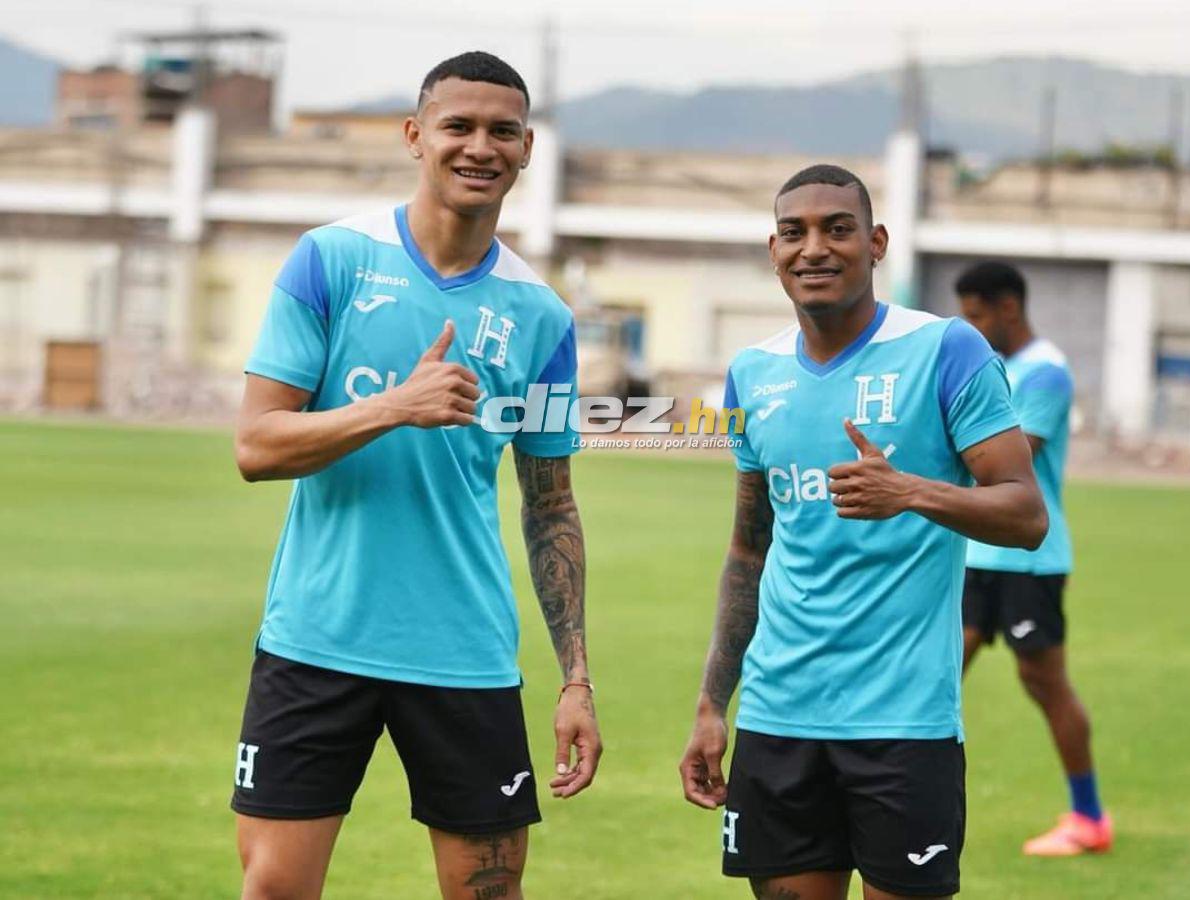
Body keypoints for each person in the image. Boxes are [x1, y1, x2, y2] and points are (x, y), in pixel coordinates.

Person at [230, 51, 601, 900]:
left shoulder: (542, 319)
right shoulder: (329, 261)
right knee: (275, 890)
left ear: (527, 147)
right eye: (458, 126)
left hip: (463, 653)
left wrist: (576, 675)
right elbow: (256, 446)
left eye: (501, 131)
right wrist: (393, 407)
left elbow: (551, 508)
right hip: (316, 638)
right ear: (415, 136)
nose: (480, 147)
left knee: (487, 893)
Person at [679, 164, 1048, 900]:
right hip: (779, 718)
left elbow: (1025, 515)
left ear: (875, 243)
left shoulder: (947, 349)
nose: (814, 248)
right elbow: (749, 551)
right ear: (773, 250)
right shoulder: (752, 373)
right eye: (794, 232)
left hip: (903, 725)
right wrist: (714, 705)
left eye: (837, 229)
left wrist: (907, 490)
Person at [955, 261, 1111, 857]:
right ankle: (882, 798)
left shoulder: (1044, 372)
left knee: (1044, 682)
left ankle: (1089, 818)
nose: (968, 328)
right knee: (936, 670)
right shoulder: (993, 366)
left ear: (1008, 309)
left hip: (1030, 556)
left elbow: (1009, 456)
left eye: (975, 316)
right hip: (973, 553)